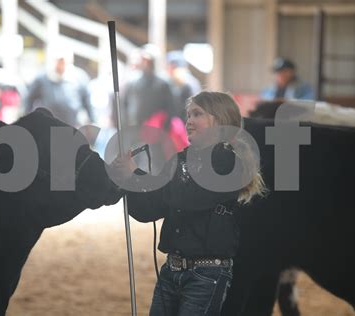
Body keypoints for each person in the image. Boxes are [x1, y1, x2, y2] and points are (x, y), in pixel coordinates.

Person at [112, 91, 267, 315]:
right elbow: (148, 210)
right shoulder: (179, 160)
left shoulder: (228, 163)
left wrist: (137, 174)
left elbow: (188, 197)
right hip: (170, 270)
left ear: (220, 119)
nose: (189, 122)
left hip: (206, 276)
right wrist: (128, 181)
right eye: (188, 116)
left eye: (197, 114)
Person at [24, 41, 94, 127]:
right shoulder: (41, 78)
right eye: (58, 60)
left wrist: (92, 122)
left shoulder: (80, 78)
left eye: (63, 60)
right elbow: (29, 100)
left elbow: (87, 102)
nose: (60, 63)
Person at [166, 50, 201, 121]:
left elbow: (177, 108)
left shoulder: (179, 80)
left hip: (184, 123)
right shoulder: (193, 80)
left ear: (173, 66)